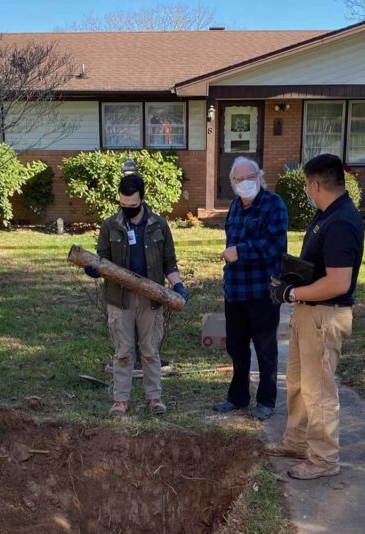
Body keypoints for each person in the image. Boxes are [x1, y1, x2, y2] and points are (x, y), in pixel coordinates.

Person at [266, 153, 364, 480]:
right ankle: (296, 442)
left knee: (318, 390)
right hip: (308, 313)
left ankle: (323, 460)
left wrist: (292, 294)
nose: (307, 190)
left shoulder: (341, 223)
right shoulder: (328, 214)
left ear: (315, 184)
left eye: (308, 185)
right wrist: (293, 279)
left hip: (324, 317)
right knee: (297, 382)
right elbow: (320, 269)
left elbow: (338, 282)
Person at [84, 173, 190, 418]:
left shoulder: (159, 225)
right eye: (123, 204)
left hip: (151, 298)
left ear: (142, 199)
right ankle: (120, 401)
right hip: (119, 299)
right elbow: (103, 261)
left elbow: (169, 262)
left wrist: (178, 286)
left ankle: (154, 398)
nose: (128, 209)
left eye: (132, 205)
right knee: (123, 351)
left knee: (150, 350)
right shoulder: (110, 225)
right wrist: (95, 269)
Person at [213, 157, 288, 421]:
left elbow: (275, 247)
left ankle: (266, 401)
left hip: (262, 291)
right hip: (235, 291)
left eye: (250, 177)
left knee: (265, 349)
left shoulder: (273, 205)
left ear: (260, 177)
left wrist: (240, 252)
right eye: (239, 179)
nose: (245, 183)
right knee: (237, 348)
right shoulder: (234, 207)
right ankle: (238, 397)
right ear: (232, 183)